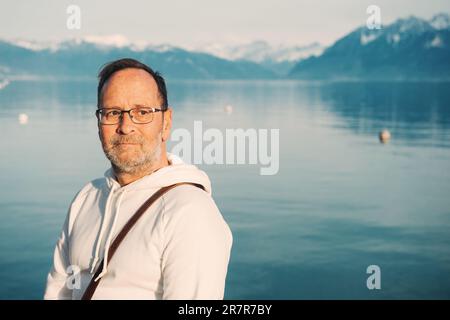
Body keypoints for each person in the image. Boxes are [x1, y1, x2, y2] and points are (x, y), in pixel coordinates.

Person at [44, 58, 233, 300]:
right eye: (112, 112)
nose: (125, 126)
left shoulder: (190, 211)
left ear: (166, 123)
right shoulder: (87, 197)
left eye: (142, 112)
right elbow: (57, 292)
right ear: (98, 122)